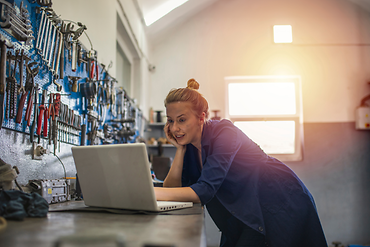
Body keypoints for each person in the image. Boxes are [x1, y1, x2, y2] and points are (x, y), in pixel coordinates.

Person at [154, 78, 328, 247]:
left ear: (201, 118)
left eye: (182, 120)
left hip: (277, 200)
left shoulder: (225, 133)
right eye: (171, 120)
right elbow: (171, 191)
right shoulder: (189, 145)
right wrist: (180, 149)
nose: (175, 128)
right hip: (242, 210)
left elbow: (205, 190)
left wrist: (152, 193)